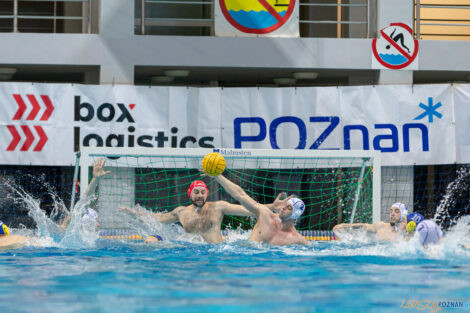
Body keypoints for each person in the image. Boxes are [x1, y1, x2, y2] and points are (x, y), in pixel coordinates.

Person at [122, 180, 289, 244]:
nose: (200, 195)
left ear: (207, 194)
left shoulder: (218, 207)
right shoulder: (181, 212)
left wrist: (271, 207)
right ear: (190, 194)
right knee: (152, 242)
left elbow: (249, 210)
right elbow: (158, 218)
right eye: (197, 192)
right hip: (192, 253)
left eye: (203, 192)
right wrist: (134, 213)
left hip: (215, 252)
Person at [203, 173, 308, 246]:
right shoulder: (265, 215)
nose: (284, 207)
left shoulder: (297, 239)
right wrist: (218, 176)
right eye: (285, 204)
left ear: (295, 215)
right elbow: (241, 195)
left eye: (289, 207)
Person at [333, 202, 409, 241]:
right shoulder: (381, 226)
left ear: (403, 215)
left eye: (396, 211)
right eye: (391, 211)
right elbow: (365, 226)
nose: (392, 214)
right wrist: (345, 225)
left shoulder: (407, 232)